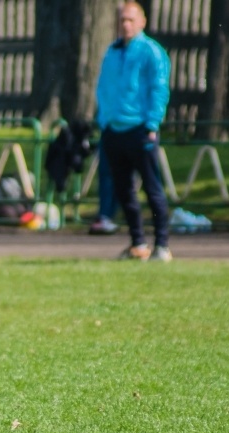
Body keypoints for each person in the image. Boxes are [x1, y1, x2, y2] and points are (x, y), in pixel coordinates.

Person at [95, 1, 172, 261]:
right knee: (124, 190)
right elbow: (104, 88)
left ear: (142, 22)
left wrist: (152, 124)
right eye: (122, 20)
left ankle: (162, 245)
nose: (126, 25)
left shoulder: (152, 51)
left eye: (131, 20)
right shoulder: (112, 52)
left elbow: (159, 89)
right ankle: (138, 243)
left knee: (152, 188)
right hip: (114, 130)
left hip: (140, 129)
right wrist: (104, 120)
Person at [87, 140, 119, 235]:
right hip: (109, 135)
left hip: (136, 135)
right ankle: (104, 217)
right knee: (107, 178)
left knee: (125, 180)